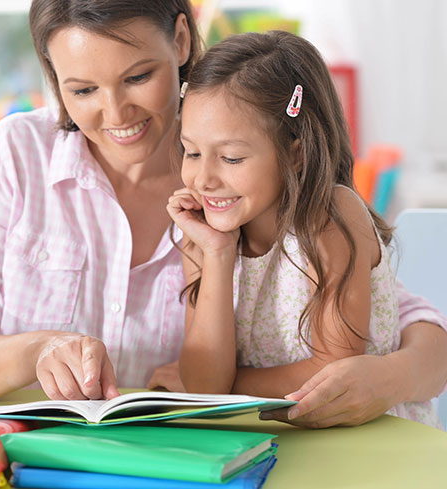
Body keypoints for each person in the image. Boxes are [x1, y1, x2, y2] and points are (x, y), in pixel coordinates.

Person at [0, 0, 447, 427]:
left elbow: (396, 324)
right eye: (82, 89)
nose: (116, 112)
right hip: (41, 456)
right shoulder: (15, 156)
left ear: (183, 39)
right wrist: (36, 350)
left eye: (138, 77)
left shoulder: (242, 183)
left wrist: (390, 377)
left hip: (204, 458)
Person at [168, 31, 438, 427]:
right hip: (274, 436)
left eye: (230, 157)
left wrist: (226, 391)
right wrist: (218, 254)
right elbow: (204, 381)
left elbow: (332, 374)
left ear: (296, 151)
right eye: (191, 151)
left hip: (367, 436)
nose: (202, 178)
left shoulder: (328, 217)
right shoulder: (202, 238)